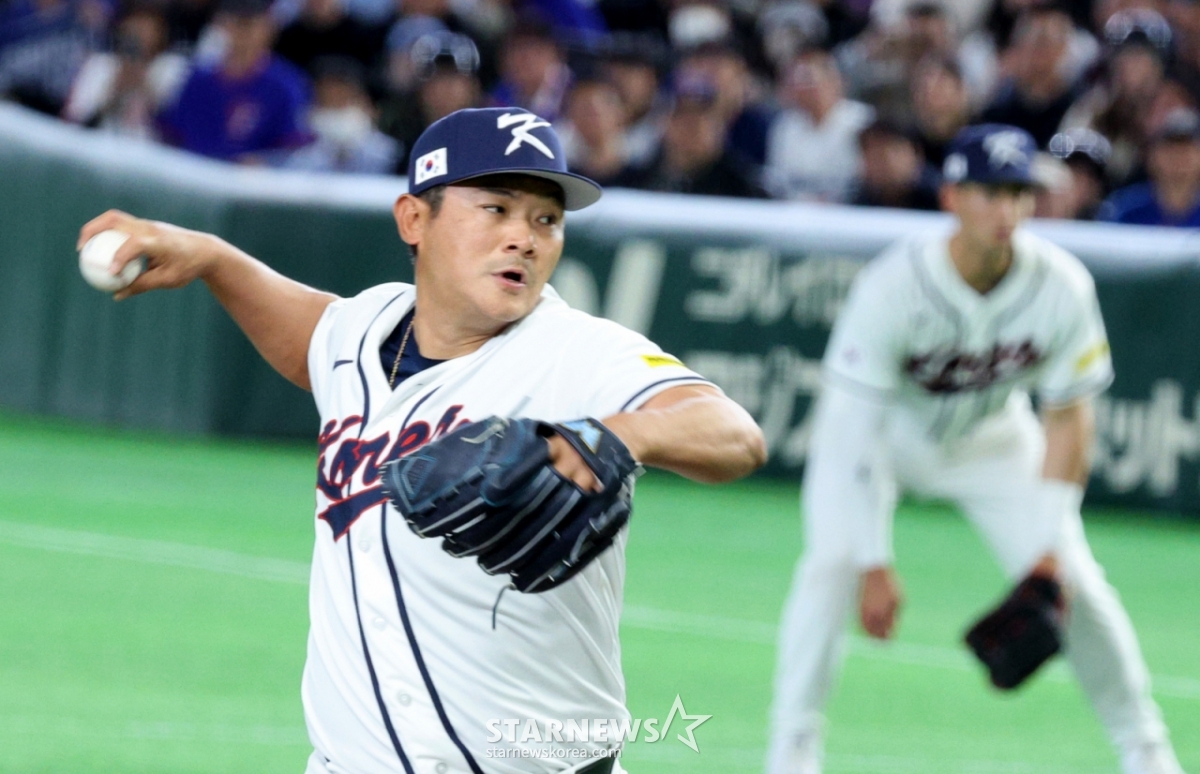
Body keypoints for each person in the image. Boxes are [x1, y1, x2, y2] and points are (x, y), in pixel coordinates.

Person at [78, 106, 766, 774]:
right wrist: (213, 259)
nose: (525, 237)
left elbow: (734, 434)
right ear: (415, 218)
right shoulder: (364, 329)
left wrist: (612, 435)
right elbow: (310, 338)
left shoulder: (579, 352)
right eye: (496, 208)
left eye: (546, 219)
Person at [767, 124, 1186, 774]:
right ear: (952, 198)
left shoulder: (1060, 285)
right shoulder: (894, 285)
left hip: (992, 440)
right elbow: (851, 429)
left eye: (1018, 193)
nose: (1006, 209)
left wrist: (1049, 548)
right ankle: (792, 751)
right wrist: (874, 560)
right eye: (989, 192)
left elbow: (1070, 420)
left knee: (1077, 585)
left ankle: (1147, 753)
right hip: (881, 441)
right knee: (830, 566)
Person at [158, 0, 312, 163]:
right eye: (236, 22)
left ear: (269, 27)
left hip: (251, 185)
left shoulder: (286, 86)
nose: (242, 32)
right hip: (194, 179)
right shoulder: (198, 80)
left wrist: (264, 162)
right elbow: (172, 136)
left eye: (250, 24)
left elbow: (295, 151)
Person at [764, 46, 874, 202]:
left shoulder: (862, 120)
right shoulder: (785, 126)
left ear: (835, 81)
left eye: (809, 79)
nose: (802, 87)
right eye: (796, 81)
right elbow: (777, 182)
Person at [1099, 108, 1200, 227]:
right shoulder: (1124, 209)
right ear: (1152, 157)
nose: (1179, 159)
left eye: (1186, 151)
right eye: (1171, 150)